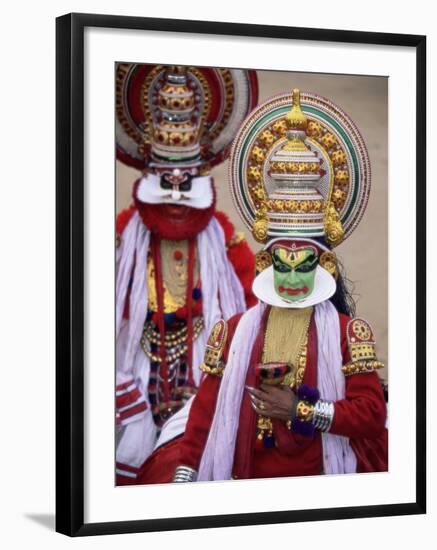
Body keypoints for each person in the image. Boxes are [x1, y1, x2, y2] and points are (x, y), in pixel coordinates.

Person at [168, 88, 388, 482]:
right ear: (266, 264)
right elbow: (204, 415)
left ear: (324, 265)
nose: (289, 280)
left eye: (302, 266)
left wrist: (301, 411)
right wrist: (184, 476)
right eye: (281, 266)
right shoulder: (233, 332)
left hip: (320, 479)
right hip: (243, 481)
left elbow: (371, 416)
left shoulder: (348, 334)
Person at [114, 64, 259, 484]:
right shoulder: (123, 236)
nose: (176, 192)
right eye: (165, 181)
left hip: (200, 382)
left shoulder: (225, 240)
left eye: (186, 181)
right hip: (130, 378)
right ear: (148, 173)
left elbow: (249, 318)